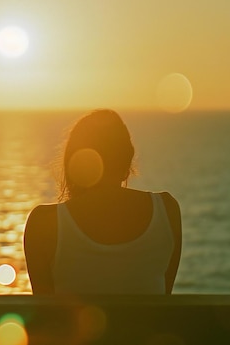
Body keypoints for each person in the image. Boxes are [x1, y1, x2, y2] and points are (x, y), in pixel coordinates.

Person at [24, 109, 182, 295]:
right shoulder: (166, 211)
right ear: (128, 159)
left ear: (73, 163)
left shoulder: (44, 224)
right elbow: (164, 295)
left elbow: (45, 314)